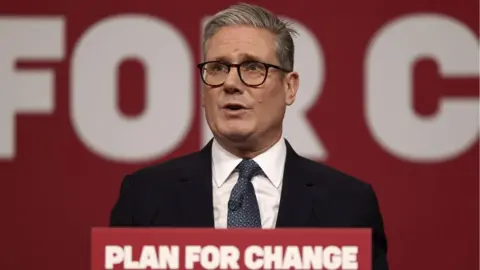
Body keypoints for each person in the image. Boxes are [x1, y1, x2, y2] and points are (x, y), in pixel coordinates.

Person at [110, 3, 389, 269]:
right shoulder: (145, 197)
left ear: (290, 88)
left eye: (253, 67)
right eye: (218, 68)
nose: (231, 83)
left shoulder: (348, 204)